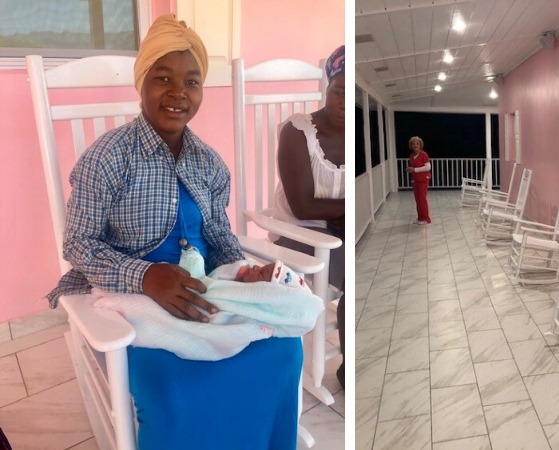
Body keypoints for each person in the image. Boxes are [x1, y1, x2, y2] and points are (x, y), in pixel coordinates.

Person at [47, 14, 301, 450]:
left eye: (192, 81)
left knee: (282, 350)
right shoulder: (107, 158)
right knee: (177, 391)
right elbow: (78, 244)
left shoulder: (209, 163)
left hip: (203, 292)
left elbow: (221, 242)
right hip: (130, 302)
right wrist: (146, 276)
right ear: (142, 82)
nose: (178, 93)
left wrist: (246, 273)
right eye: (163, 77)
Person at [273, 45, 346, 388]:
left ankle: (350, 359)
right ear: (326, 87)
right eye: (338, 91)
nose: (344, 102)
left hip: (336, 229)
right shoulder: (297, 132)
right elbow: (302, 206)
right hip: (299, 232)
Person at [406, 136, 432, 224]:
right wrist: (410, 169)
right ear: (411, 146)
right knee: (417, 199)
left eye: (417, 144)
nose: (415, 145)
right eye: (413, 144)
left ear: (420, 145)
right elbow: (414, 167)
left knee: (422, 199)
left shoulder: (424, 154)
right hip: (415, 180)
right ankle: (420, 217)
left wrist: (415, 170)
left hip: (423, 180)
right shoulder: (412, 155)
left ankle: (426, 218)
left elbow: (428, 167)